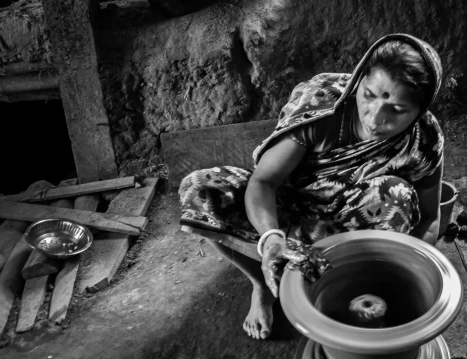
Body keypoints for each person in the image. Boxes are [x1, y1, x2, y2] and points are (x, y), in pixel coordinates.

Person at [180, 33, 444, 340]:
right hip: (284, 210)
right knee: (200, 189)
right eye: (369, 95)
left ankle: (354, 286)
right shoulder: (322, 107)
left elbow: (430, 216)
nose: (375, 118)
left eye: (397, 110)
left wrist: (412, 275)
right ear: (359, 80)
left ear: (419, 112)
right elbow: (263, 181)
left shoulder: (423, 139)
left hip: (346, 224)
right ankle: (261, 283)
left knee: (396, 195)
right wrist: (271, 239)